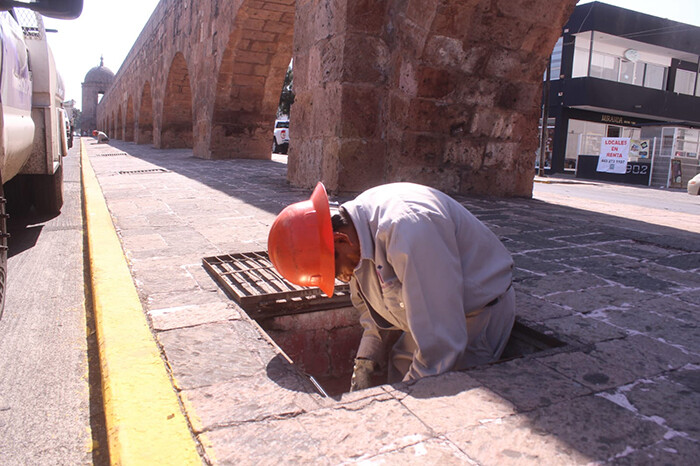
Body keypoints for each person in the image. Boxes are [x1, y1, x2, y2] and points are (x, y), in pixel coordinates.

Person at [267, 182, 515, 391]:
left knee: (435, 396)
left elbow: (442, 345)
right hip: (429, 315)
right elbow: (372, 305)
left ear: (340, 240)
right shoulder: (355, 231)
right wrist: (366, 358)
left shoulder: (410, 230)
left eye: (335, 273)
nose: (342, 279)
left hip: (475, 316)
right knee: (400, 367)